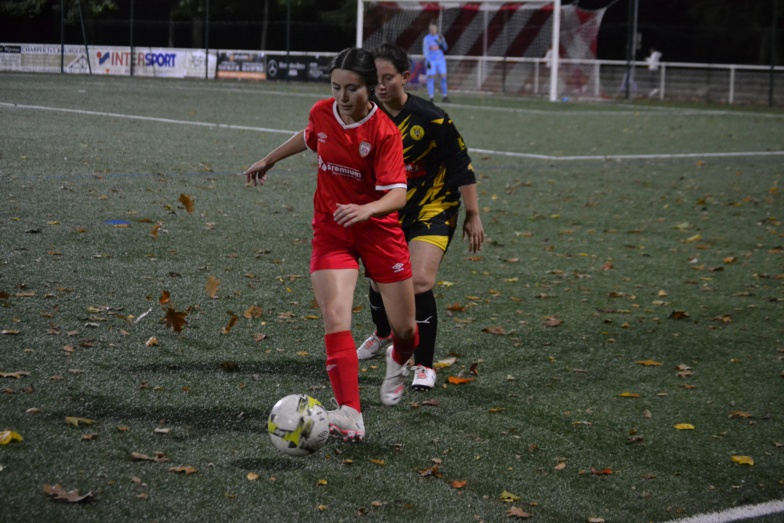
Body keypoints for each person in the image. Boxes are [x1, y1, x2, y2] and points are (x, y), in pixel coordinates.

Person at [244, 48, 420, 443]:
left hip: (379, 231)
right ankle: (351, 412)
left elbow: (398, 194)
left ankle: (397, 358)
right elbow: (309, 137)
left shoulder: (384, 132)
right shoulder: (323, 113)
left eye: (351, 88)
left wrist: (367, 209)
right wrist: (269, 159)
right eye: (336, 87)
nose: (342, 96)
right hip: (332, 227)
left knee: (406, 330)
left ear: (369, 88)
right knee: (335, 312)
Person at [356, 42, 484, 391]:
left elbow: (461, 163)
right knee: (378, 280)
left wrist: (473, 213)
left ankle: (424, 365)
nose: (381, 85)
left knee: (420, 281)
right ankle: (383, 333)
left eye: (388, 78)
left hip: (434, 207)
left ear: (405, 77)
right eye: (375, 79)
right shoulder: (367, 117)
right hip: (388, 210)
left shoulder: (431, 118)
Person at [423, 22, 451, 103]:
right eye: (431, 28)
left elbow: (445, 48)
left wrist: (442, 43)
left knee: (443, 77)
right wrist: (427, 61)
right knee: (431, 78)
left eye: (434, 28)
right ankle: (431, 97)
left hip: (440, 60)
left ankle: (444, 96)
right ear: (429, 29)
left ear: (437, 29)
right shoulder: (427, 38)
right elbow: (425, 50)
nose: (433, 30)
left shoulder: (440, 37)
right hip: (431, 61)